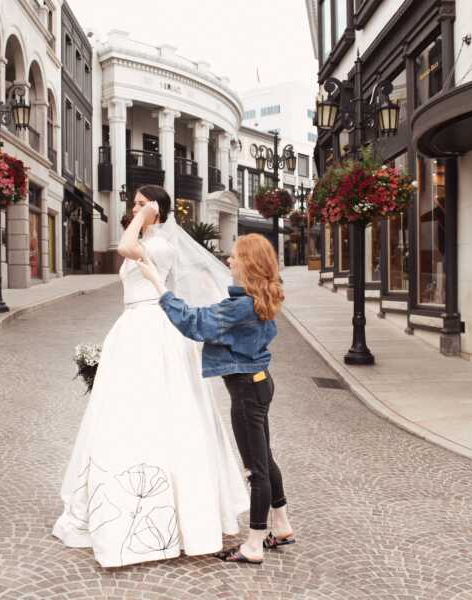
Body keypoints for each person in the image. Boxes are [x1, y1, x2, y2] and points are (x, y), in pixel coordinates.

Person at [52, 185, 248, 568]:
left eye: (142, 204)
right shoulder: (149, 238)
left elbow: (123, 248)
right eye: (134, 204)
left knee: (161, 411)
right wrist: (143, 217)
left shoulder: (159, 245)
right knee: (124, 413)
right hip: (131, 328)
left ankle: (172, 513)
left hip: (152, 328)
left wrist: (143, 217)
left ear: (158, 210)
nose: (134, 209)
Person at [136, 233, 294, 565]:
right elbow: (221, 315)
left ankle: (253, 544)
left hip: (248, 390)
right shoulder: (256, 297)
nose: (229, 261)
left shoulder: (240, 305)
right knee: (265, 458)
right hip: (259, 383)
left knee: (256, 468)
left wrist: (158, 286)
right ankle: (281, 525)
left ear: (248, 263)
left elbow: (194, 324)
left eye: (235, 256)